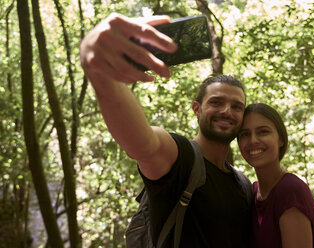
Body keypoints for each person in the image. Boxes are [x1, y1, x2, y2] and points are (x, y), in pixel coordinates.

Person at [80, 13, 253, 247]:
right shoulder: (180, 158)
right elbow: (143, 143)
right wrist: (101, 71)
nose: (226, 111)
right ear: (197, 109)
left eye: (237, 107)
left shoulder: (242, 183)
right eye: (216, 102)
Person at [237, 103, 314, 248]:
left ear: (281, 139)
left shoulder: (290, 190)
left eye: (263, 132)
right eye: (245, 134)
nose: (253, 140)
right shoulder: (252, 191)